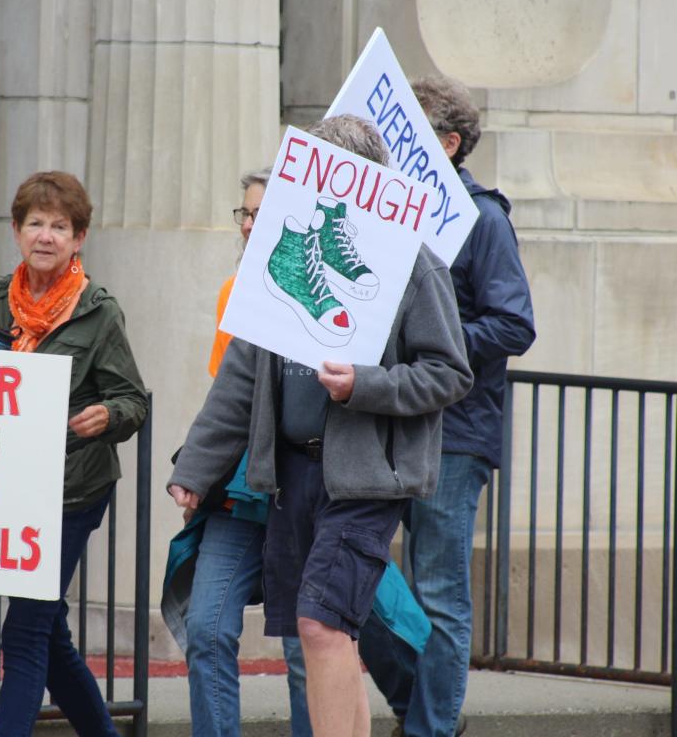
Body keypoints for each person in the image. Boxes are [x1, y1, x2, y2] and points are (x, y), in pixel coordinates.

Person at [168, 114, 474, 737]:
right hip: (290, 476)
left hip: (365, 482)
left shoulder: (413, 265)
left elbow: (449, 373)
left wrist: (366, 385)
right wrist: (196, 468)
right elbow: (240, 381)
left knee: (322, 626)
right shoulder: (283, 257)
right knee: (322, 635)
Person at [359, 75, 536, 737]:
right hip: (378, 422)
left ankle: (429, 726)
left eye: (410, 127)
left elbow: (513, 325)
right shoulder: (384, 210)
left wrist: (430, 341)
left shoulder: (483, 218)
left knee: (438, 592)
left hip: (451, 433)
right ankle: (423, 711)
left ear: (450, 143)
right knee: (348, 574)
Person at [0, 170, 148, 737]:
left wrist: (108, 416)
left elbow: (132, 400)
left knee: (22, 632)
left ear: (78, 237)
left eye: (59, 226)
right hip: (13, 487)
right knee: (47, 630)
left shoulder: (98, 310)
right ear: (17, 232)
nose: (46, 235)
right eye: (36, 223)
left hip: (72, 491)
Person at [162, 169, 313, 737]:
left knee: (309, 647)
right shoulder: (236, 292)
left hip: (305, 492)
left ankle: (423, 709)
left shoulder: (317, 286)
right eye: (244, 214)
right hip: (242, 493)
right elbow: (227, 398)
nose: (249, 225)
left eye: (261, 213)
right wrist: (197, 472)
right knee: (207, 628)